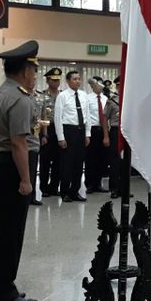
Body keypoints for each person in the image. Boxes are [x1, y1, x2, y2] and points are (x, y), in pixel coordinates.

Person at [0, 40, 40, 301]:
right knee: (10, 233)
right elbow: (19, 143)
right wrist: (26, 180)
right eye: (34, 70)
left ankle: (0, 289)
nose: (35, 76)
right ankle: (5, 294)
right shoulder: (19, 99)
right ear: (25, 71)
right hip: (10, 169)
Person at [54, 70, 91, 203]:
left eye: (79, 79)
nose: (78, 81)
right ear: (68, 81)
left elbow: (87, 115)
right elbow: (58, 117)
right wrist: (61, 137)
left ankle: (75, 191)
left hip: (81, 131)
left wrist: (87, 134)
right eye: (74, 79)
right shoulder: (62, 96)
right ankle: (65, 192)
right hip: (68, 131)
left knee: (78, 164)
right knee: (67, 164)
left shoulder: (83, 95)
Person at [39, 68, 62, 197]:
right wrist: (44, 134)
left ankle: (54, 187)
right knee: (45, 161)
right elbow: (41, 116)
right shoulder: (41, 95)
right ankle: (44, 188)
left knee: (58, 161)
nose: (56, 82)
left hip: (59, 130)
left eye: (58, 80)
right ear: (47, 80)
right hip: (47, 129)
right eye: (53, 80)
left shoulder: (62, 95)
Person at [85, 78, 109, 194]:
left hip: (103, 130)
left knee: (101, 158)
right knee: (91, 158)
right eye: (98, 85)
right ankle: (89, 184)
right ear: (93, 87)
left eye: (102, 85)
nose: (101, 87)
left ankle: (98, 184)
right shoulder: (87, 98)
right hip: (92, 129)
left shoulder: (106, 99)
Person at [27, 84, 44, 206]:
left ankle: (32, 196)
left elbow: (43, 117)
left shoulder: (39, 96)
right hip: (22, 135)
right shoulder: (20, 95)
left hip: (35, 137)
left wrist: (45, 135)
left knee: (33, 168)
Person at [106, 77, 121, 198]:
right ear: (116, 86)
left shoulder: (130, 100)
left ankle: (124, 188)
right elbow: (104, 118)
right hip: (115, 132)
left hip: (126, 133)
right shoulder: (111, 101)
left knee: (125, 162)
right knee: (115, 161)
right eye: (120, 85)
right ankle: (114, 188)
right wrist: (106, 136)